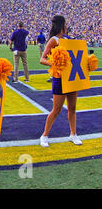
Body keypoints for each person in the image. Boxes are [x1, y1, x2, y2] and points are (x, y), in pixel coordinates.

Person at [39, 15, 82, 147]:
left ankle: (73, 134)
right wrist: (55, 63)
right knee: (56, 109)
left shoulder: (69, 39)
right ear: (62, 24)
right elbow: (42, 59)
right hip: (59, 79)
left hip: (72, 78)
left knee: (72, 108)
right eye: (66, 23)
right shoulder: (54, 40)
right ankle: (44, 135)